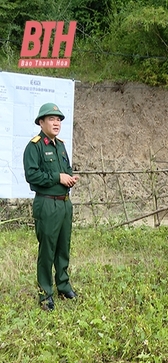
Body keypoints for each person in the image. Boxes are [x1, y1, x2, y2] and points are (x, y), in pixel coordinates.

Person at [23, 103, 79, 311]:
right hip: (46, 204)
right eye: (52, 119)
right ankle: (45, 293)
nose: (57, 123)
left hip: (64, 205)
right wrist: (58, 177)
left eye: (59, 120)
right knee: (47, 250)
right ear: (41, 122)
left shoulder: (61, 145)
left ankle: (63, 285)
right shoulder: (34, 146)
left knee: (63, 248)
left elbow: (66, 169)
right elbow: (32, 176)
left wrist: (70, 178)